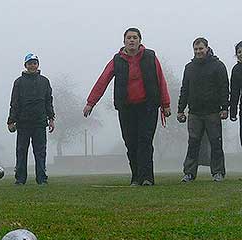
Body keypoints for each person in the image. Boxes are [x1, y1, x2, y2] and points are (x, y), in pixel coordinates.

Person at [83, 28, 171, 186]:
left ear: (140, 40)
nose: (132, 40)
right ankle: (136, 177)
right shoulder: (117, 60)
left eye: (135, 37)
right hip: (127, 108)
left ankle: (147, 178)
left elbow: (161, 80)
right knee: (131, 143)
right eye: (129, 38)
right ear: (124, 41)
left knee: (145, 141)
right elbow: (103, 80)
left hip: (148, 107)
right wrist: (91, 102)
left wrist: (166, 104)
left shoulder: (150, 57)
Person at [177, 37, 229, 183]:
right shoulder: (189, 67)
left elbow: (224, 88)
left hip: (213, 112)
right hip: (194, 113)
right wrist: (180, 110)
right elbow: (185, 89)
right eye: (196, 49)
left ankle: (218, 172)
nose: (198, 51)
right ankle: (189, 174)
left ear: (207, 48)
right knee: (193, 144)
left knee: (216, 143)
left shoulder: (218, 66)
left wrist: (225, 108)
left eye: (201, 48)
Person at [7, 53, 55, 185]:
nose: (32, 65)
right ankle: (20, 179)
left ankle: (42, 179)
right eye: (30, 63)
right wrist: (11, 121)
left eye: (34, 63)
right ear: (25, 65)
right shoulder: (19, 82)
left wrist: (51, 118)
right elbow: (14, 102)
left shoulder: (45, 81)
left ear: (38, 65)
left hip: (40, 122)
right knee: (21, 151)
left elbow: (48, 101)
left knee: (40, 152)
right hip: (23, 123)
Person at [230, 41, 242, 146]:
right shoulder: (236, 70)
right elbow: (235, 93)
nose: (241, 54)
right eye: (239, 52)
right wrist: (233, 113)